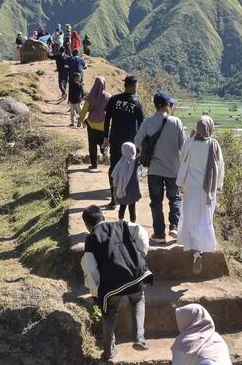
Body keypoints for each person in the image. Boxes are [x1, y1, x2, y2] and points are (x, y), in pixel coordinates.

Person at [81, 205, 151, 361]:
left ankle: (109, 352)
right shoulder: (122, 224)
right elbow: (141, 232)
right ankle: (139, 337)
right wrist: (141, 253)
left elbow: (90, 268)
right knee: (138, 300)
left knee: (110, 311)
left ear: (88, 226)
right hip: (135, 276)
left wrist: (96, 292)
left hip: (112, 285)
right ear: (104, 217)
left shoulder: (91, 240)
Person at [134, 92, 186, 244]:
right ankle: (175, 227)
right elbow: (183, 146)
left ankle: (159, 234)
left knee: (156, 202)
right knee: (175, 198)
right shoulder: (176, 122)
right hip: (173, 170)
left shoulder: (147, 122)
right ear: (166, 105)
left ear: (155, 105)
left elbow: (136, 142)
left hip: (154, 170)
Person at [176, 116, 224, 275]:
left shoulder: (190, 143)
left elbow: (182, 157)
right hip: (207, 190)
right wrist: (218, 187)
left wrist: (190, 138)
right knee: (204, 218)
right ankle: (200, 252)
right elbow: (220, 167)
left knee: (190, 217)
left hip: (191, 188)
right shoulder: (214, 145)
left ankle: (195, 252)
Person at [103, 76, 145, 210]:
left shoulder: (114, 99)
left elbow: (107, 119)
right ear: (133, 86)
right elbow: (142, 125)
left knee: (114, 169)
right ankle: (128, 197)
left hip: (115, 140)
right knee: (131, 170)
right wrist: (140, 144)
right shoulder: (137, 103)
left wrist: (106, 136)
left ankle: (113, 199)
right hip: (131, 144)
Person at [78, 76, 111, 170]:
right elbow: (111, 111)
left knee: (92, 145)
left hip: (92, 125)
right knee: (103, 143)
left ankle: (94, 165)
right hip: (104, 125)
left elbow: (84, 110)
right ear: (104, 84)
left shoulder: (90, 96)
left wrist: (80, 120)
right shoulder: (108, 96)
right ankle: (105, 153)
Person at [112, 142, 142, 223]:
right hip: (132, 191)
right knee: (132, 208)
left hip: (122, 191)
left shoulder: (120, 163)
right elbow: (141, 156)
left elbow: (115, 177)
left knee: (122, 207)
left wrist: (114, 190)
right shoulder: (135, 162)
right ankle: (133, 223)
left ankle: (120, 221)